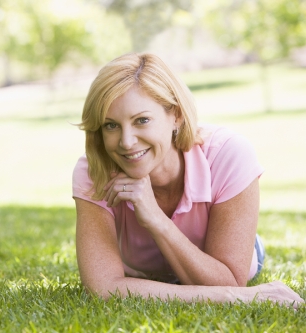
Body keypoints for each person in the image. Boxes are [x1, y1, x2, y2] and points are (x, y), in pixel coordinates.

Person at [72, 52, 304, 306]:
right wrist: (234, 297)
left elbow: (229, 279)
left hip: (218, 254)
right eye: (111, 125)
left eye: (142, 120)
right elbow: (103, 289)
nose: (126, 142)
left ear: (176, 116)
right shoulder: (94, 170)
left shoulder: (229, 154)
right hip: (149, 267)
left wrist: (156, 220)